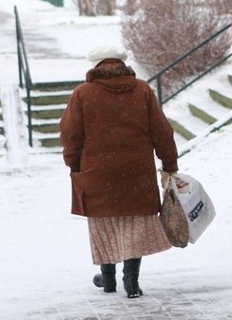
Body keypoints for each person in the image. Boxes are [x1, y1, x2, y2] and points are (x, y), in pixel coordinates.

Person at [59, 44, 179, 299]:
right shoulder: (142, 90)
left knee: (104, 223)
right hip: (138, 170)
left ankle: (109, 278)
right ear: (121, 63)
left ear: (95, 65)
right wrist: (169, 164)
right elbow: (162, 131)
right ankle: (131, 281)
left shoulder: (83, 94)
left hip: (97, 170)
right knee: (134, 223)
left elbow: (71, 135)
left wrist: (73, 164)